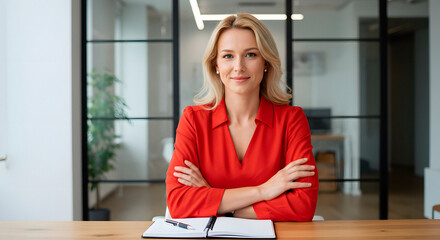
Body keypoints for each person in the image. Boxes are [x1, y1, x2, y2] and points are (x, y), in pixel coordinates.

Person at [166, 13, 318, 222]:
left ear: (265, 62)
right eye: (228, 56)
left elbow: (303, 206)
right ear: (216, 65)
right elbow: (178, 202)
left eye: (251, 55)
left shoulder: (292, 120)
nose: (239, 66)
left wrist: (217, 202)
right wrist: (264, 191)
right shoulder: (193, 120)